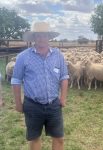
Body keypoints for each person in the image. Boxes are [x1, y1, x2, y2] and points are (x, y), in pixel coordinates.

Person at [11, 21, 69, 150]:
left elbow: (64, 77)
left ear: (49, 37)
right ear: (34, 38)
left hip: (54, 104)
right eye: (38, 35)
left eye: (44, 35)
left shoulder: (58, 55)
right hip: (32, 105)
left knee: (59, 139)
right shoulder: (23, 57)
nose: (41, 38)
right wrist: (18, 103)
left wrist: (63, 98)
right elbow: (16, 80)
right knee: (35, 139)